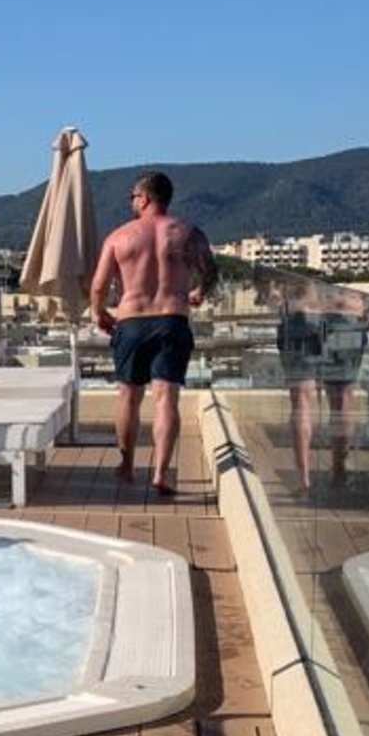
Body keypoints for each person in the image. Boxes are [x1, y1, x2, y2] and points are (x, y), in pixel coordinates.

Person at [89, 171, 217, 495]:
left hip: (132, 321)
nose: (132, 201)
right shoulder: (188, 232)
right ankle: (161, 472)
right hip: (172, 319)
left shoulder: (119, 236)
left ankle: (127, 465)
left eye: (133, 196)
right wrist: (199, 291)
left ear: (145, 198)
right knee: (166, 397)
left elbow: (99, 286)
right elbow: (210, 270)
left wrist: (99, 313)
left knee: (129, 396)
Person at [276, 280, 369, 490]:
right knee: (342, 400)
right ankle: (339, 473)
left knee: (301, 400)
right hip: (346, 313)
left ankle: (303, 479)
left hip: (304, 312)